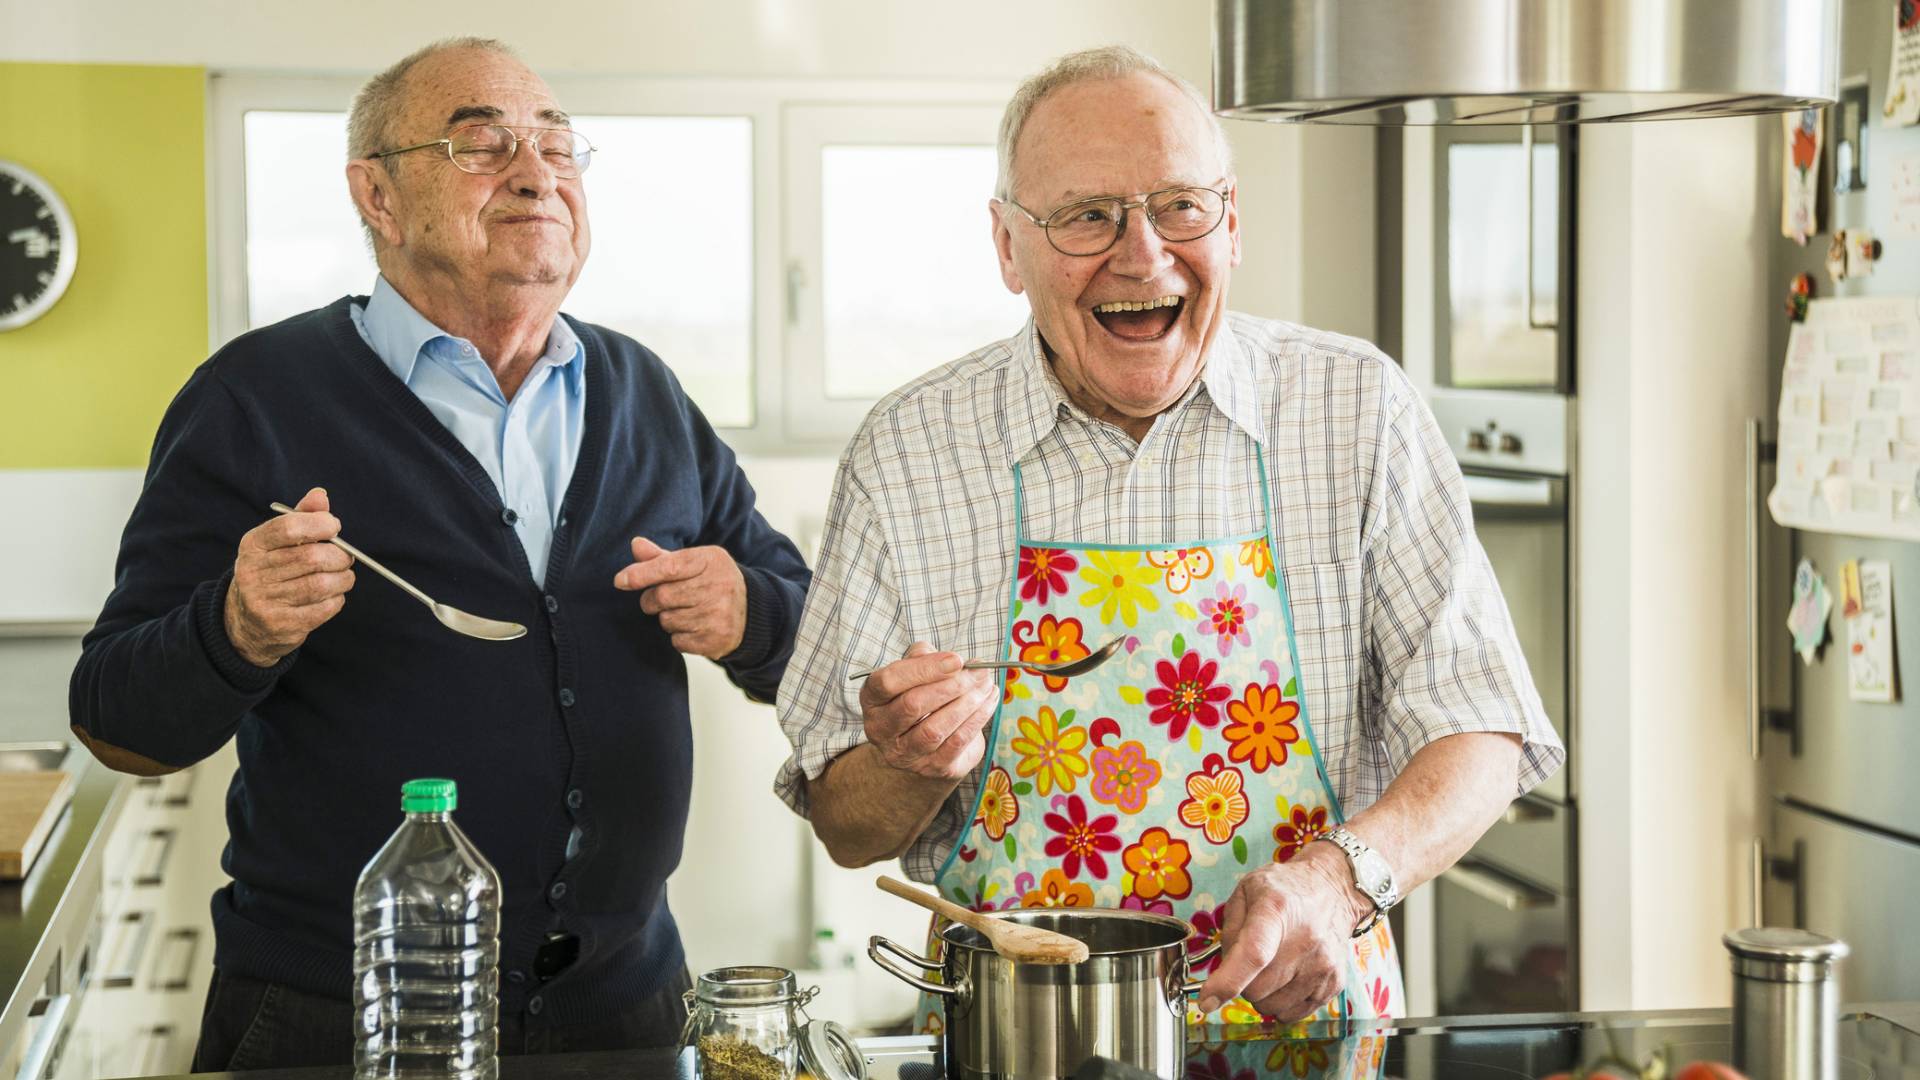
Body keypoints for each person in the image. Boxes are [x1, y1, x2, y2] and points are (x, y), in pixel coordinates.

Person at [776, 45, 1563, 1046]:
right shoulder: (908, 451)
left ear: (1231, 225)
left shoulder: (1354, 410)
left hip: (1309, 1038)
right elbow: (846, 826)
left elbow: (1486, 728)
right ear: (1008, 246)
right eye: (1086, 215)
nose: (1141, 255)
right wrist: (910, 761)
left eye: (1180, 206)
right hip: (1023, 1048)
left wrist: (1341, 878)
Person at [68, 37, 811, 1070]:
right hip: (338, 1015)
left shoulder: (644, 393)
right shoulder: (255, 400)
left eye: (557, 146)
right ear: (376, 194)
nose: (537, 171)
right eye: (482, 144)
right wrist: (234, 629)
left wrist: (752, 614)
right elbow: (114, 721)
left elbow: (809, 640)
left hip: (626, 1013)